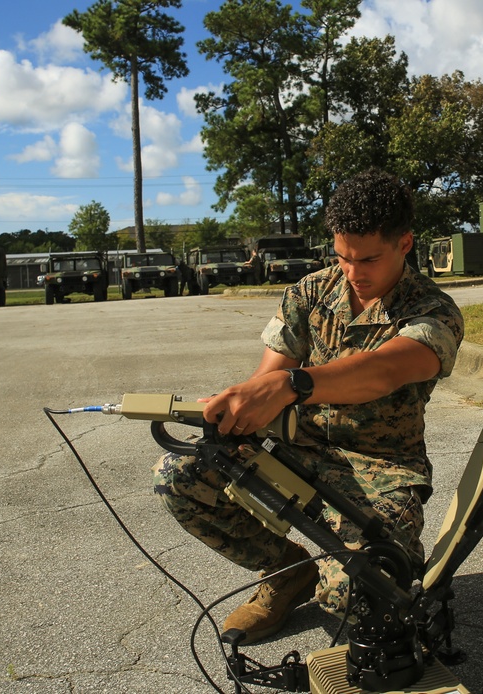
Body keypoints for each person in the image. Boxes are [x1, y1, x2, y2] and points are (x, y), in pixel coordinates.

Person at [152, 169, 464, 644]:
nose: (353, 273)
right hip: (296, 452)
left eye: (368, 259)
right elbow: (267, 380)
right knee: (178, 473)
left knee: (356, 598)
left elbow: (384, 370)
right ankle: (286, 572)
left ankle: (378, 564)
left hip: (383, 472)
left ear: (405, 243)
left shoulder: (433, 311)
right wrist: (236, 407)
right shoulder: (311, 291)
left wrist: (292, 385)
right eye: (342, 257)